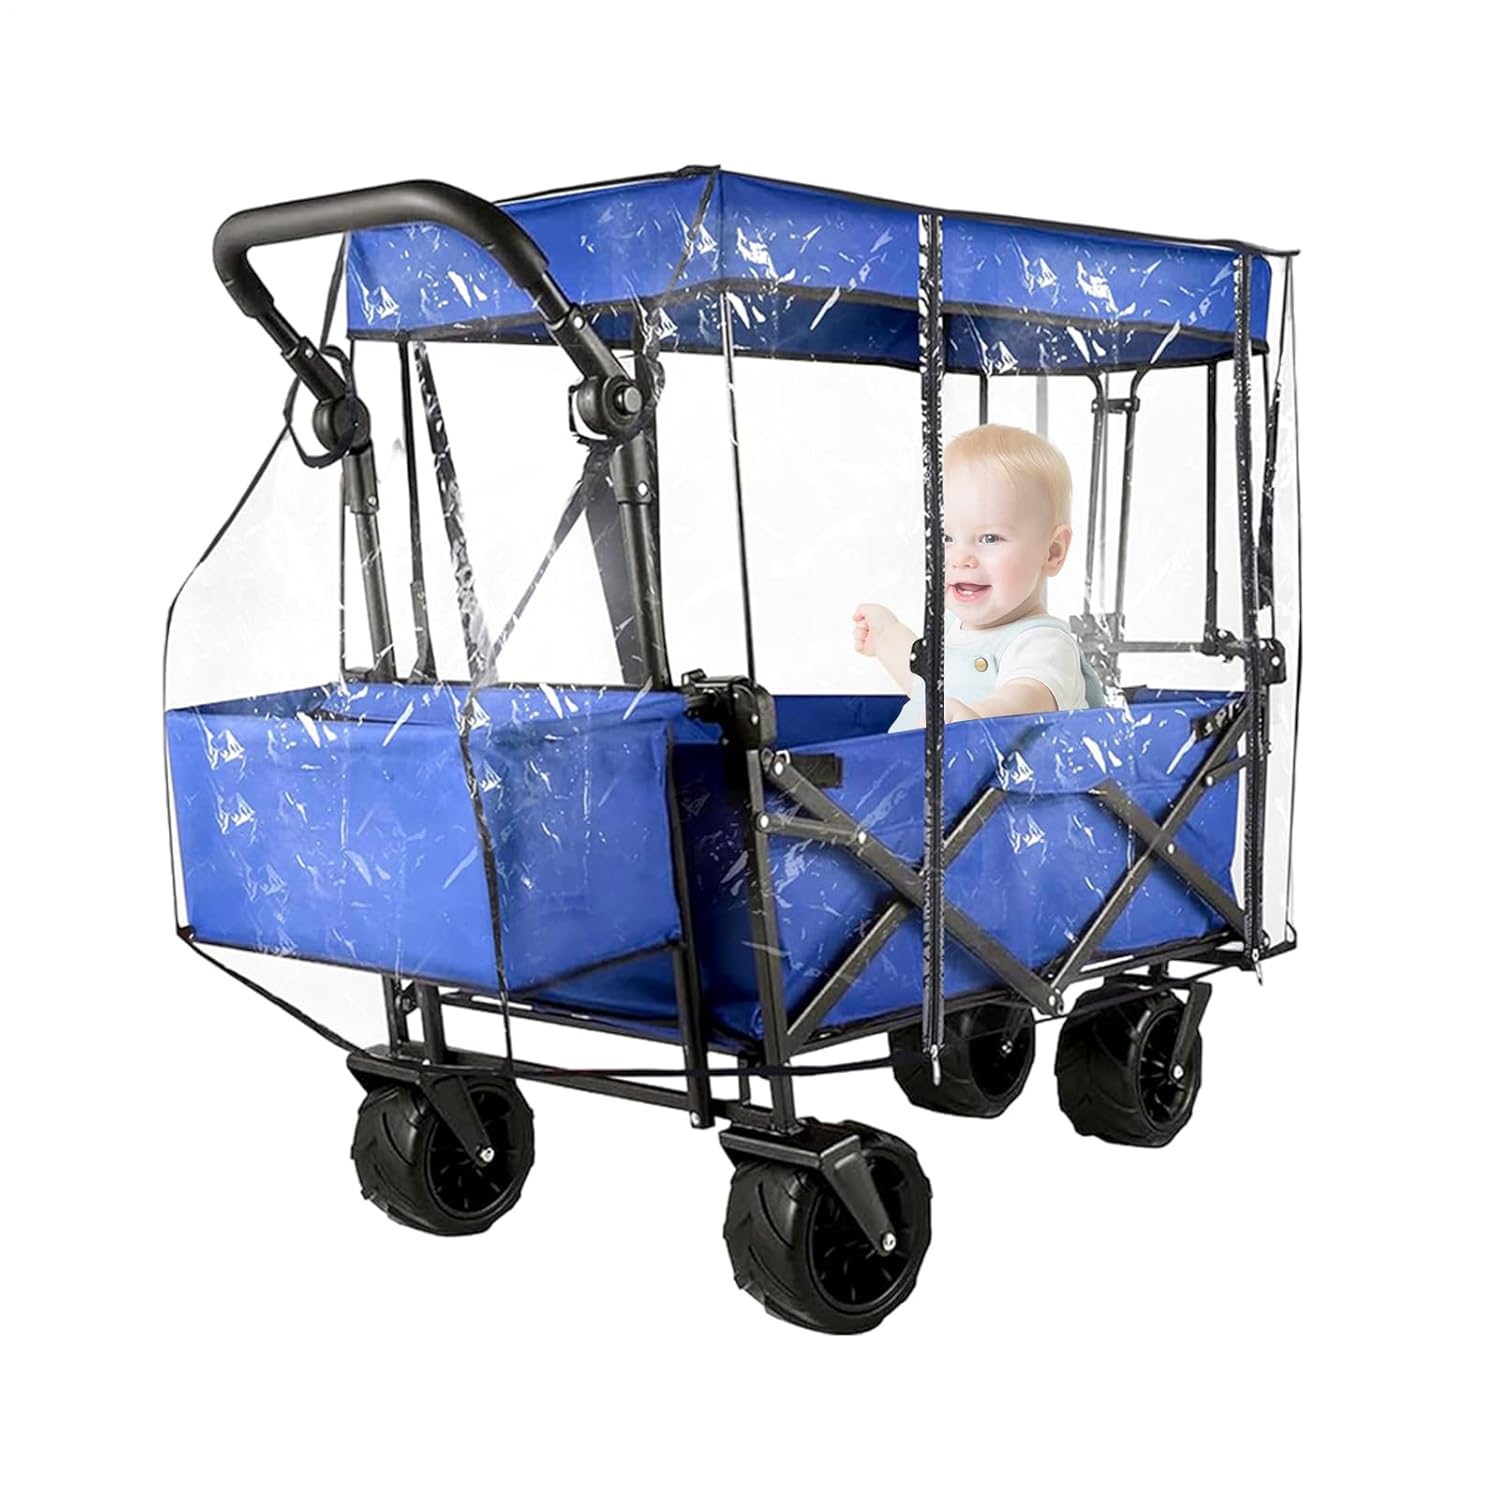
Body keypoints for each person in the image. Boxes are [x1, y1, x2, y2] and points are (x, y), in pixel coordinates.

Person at [853, 424, 1094, 731]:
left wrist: (978, 716)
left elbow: (1025, 698)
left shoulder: (1043, 644)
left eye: (990, 538)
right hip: (912, 760)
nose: (961, 558)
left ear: (1052, 552)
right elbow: (924, 682)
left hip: (986, 763)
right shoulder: (952, 629)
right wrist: (886, 635)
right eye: (947, 538)